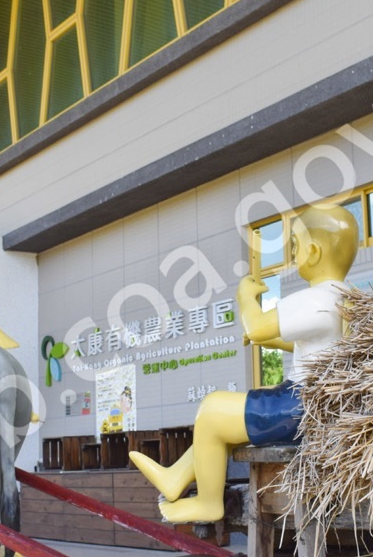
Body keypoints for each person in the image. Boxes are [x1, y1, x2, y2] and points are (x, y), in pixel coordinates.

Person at [130, 205, 358, 522]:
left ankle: (208, 503)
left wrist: (245, 297)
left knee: (211, 410)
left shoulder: (317, 298)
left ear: (314, 251)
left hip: (300, 408)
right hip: (316, 405)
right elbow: (300, 341)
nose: (292, 255)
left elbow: (257, 326)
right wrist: (265, 338)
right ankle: (177, 476)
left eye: (294, 246)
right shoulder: (346, 297)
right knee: (229, 414)